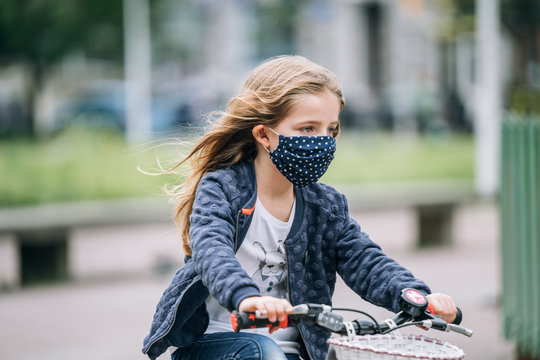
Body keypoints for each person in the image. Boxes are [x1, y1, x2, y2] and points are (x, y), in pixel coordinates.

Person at [142, 55, 457, 360]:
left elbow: (364, 259)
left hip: (295, 351)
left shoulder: (325, 205)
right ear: (264, 134)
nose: (323, 141)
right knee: (263, 353)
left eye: (330, 130)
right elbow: (212, 251)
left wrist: (414, 295)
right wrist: (246, 297)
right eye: (308, 129)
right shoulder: (222, 188)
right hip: (217, 345)